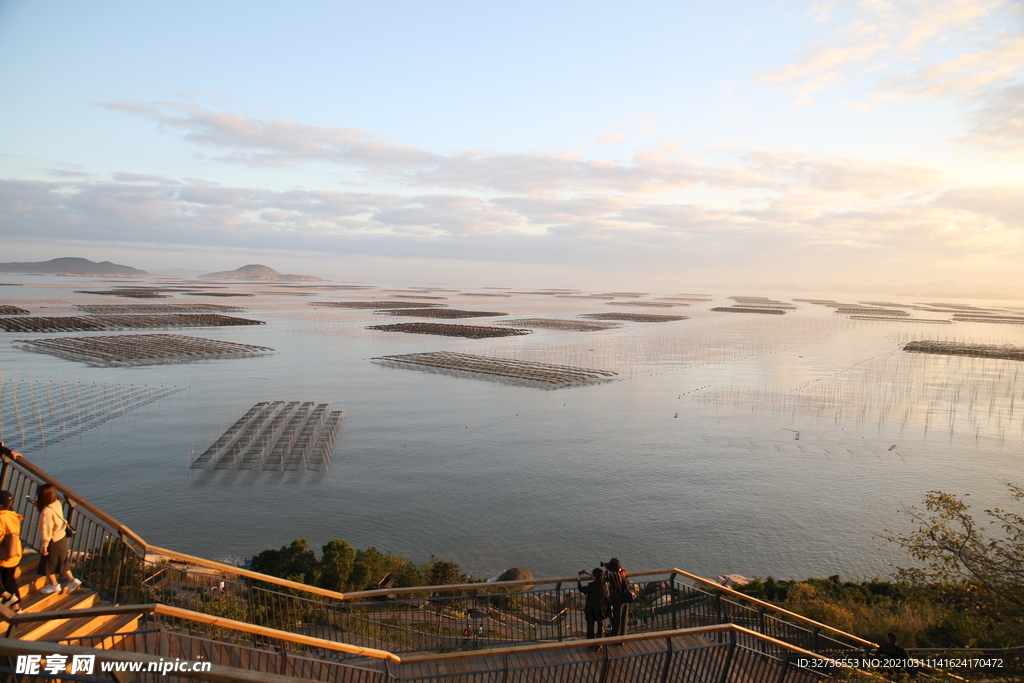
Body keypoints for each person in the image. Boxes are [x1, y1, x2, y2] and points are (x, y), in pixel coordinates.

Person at [36, 483, 81, 595]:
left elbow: (46, 531)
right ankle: (72, 580)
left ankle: (54, 585)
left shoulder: (46, 511)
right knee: (62, 560)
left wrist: (44, 547)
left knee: (47, 563)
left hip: (53, 540)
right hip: (62, 536)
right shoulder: (56, 503)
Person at [0, 490, 23, 611]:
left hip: (3, 554)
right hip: (14, 552)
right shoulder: (12, 515)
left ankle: (7, 596)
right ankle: (16, 608)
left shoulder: (1, 517)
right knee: (9, 580)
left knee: (8, 580)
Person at [577, 568, 609, 642]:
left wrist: (579, 579)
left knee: (590, 625)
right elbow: (598, 577)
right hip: (602, 607)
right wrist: (587, 573)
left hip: (591, 608)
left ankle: (590, 643)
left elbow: (582, 589)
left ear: (594, 576)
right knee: (600, 626)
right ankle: (599, 643)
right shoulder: (604, 583)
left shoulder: (593, 586)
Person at [603, 557, 633, 637]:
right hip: (625, 598)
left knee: (617, 619)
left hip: (617, 599)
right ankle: (623, 636)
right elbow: (622, 569)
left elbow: (604, 578)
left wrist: (606, 570)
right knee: (623, 619)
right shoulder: (623, 572)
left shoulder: (613, 575)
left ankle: (616, 638)